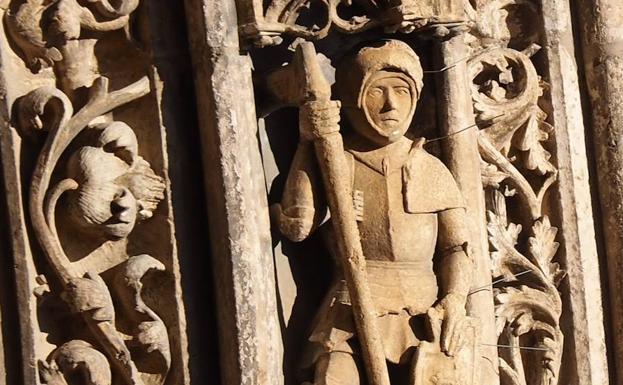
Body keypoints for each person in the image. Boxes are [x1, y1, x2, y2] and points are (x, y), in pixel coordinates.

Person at [272, 39, 474, 385]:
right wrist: (309, 142)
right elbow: (297, 225)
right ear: (352, 98)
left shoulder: (431, 168)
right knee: (334, 375)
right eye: (377, 91)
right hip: (351, 304)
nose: (390, 104)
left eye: (401, 90)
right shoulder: (338, 160)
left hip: (422, 313)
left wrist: (454, 299)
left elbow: (456, 248)